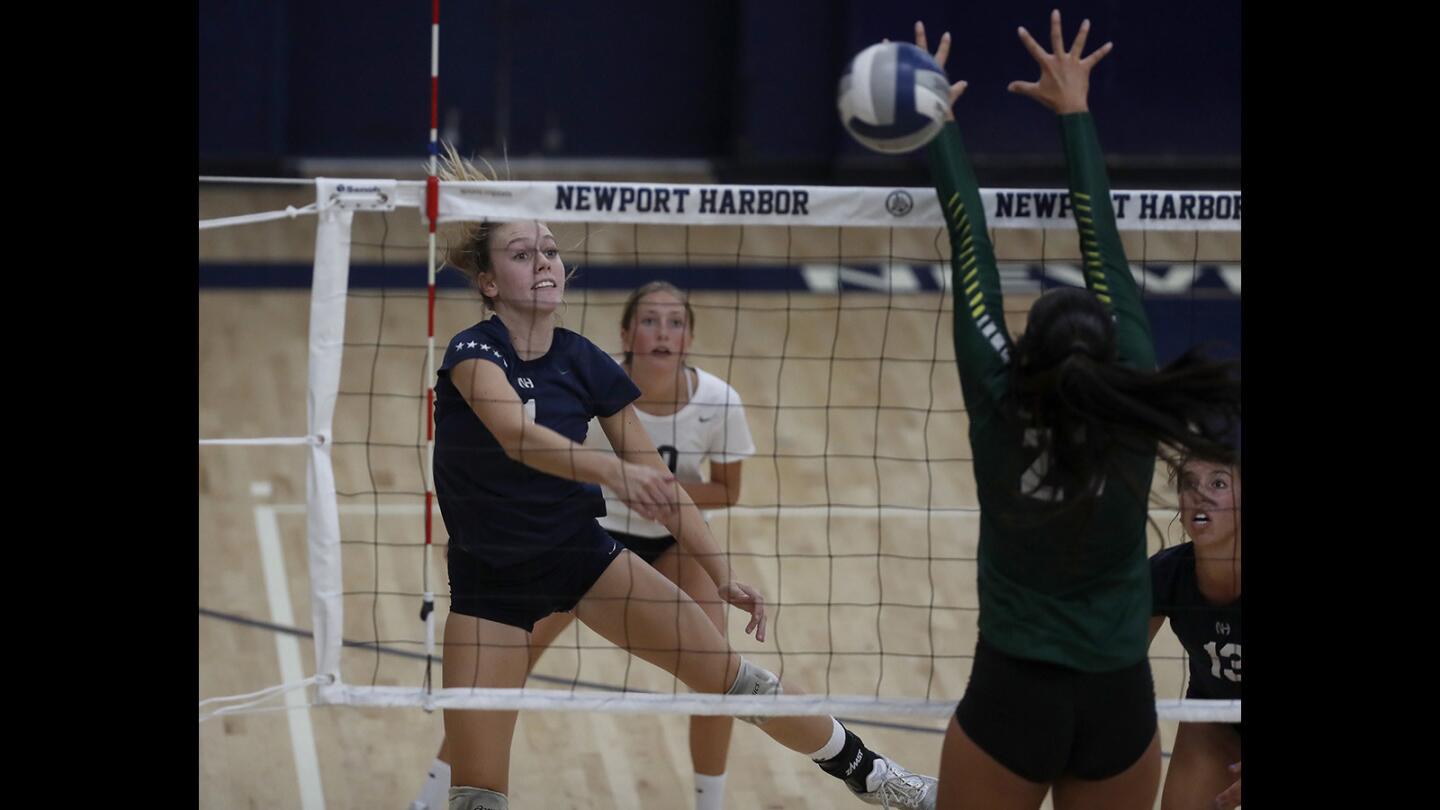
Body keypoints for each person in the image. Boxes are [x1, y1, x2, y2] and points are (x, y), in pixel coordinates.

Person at [426, 148, 939, 810]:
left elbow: (660, 485)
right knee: (477, 795)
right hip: (488, 587)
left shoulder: (583, 361)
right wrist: (612, 470)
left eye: (549, 250)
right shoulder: (474, 353)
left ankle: (876, 776)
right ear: (490, 282)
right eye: (523, 255)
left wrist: (718, 571)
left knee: (738, 681)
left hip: (582, 559)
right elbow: (519, 438)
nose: (545, 262)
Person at [915, 12, 1241, 810]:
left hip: (1012, 694)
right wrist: (1076, 111)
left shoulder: (997, 398)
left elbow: (972, 254)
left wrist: (936, 130)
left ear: (1025, 358)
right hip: (1117, 703)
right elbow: (1105, 245)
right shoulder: (1133, 400)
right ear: (1113, 357)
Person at [412, 280, 756, 810]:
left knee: (719, 667)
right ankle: (434, 793)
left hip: (671, 541)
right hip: (589, 541)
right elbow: (537, 459)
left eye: (675, 322)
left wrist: (653, 487)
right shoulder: (586, 392)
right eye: (649, 321)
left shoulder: (718, 400)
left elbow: (728, 491)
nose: (663, 333)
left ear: (689, 337)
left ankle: (710, 803)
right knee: (500, 669)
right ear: (626, 333)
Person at [1149, 456, 1242, 810]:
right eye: (1189, 483)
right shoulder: (1165, 575)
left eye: (1218, 484)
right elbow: (1110, 673)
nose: (1199, 497)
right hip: (1216, 719)